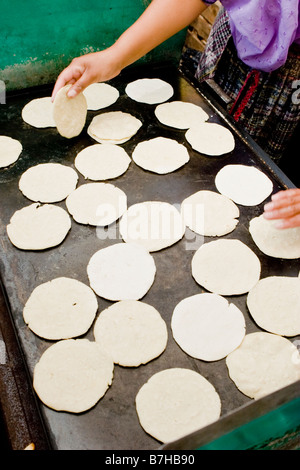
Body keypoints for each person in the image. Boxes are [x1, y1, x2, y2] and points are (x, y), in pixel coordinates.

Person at [51, 0, 300, 229]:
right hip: (234, 39)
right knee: (206, 144)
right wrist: (115, 57)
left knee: (255, 179)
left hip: (290, 86)